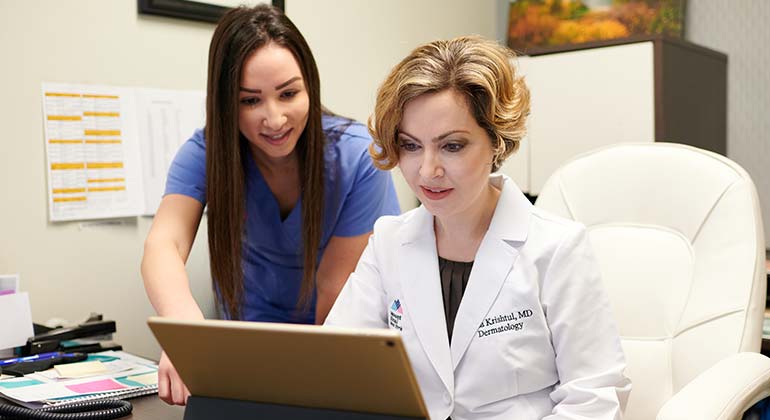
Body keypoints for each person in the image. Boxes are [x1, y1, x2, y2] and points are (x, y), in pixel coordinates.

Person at [325, 36, 630, 419]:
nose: (427, 170)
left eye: (452, 146)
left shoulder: (557, 248)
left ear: (496, 140)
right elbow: (339, 368)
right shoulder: (388, 242)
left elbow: (595, 397)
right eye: (411, 146)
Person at [141, 5, 400, 405]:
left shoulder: (358, 158)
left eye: (289, 94)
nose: (274, 119)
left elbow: (337, 295)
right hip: (244, 357)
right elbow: (164, 244)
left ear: (310, 86)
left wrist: (310, 390)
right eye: (250, 101)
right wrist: (183, 332)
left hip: (334, 347)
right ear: (227, 102)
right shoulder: (207, 152)